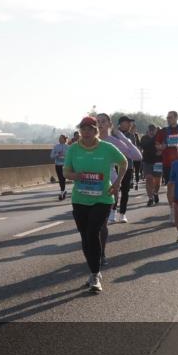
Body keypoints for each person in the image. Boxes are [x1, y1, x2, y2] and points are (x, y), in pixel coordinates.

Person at [63, 116, 128, 294]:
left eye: (90, 129)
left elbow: (124, 162)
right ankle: (94, 270)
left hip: (103, 198)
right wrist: (77, 176)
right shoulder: (73, 149)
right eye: (83, 129)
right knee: (85, 237)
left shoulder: (106, 148)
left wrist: (117, 183)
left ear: (96, 130)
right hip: (79, 199)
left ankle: (95, 274)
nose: (86, 132)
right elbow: (66, 172)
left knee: (92, 233)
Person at [99, 113, 142, 225]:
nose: (100, 124)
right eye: (97, 121)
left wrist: (123, 138)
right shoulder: (89, 141)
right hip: (92, 183)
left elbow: (137, 156)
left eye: (103, 121)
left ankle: (117, 213)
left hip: (109, 182)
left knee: (100, 225)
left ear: (110, 124)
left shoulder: (114, 141)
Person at [139, 124, 161, 206]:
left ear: (155, 130)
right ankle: (150, 198)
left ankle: (155, 193)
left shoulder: (159, 138)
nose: (152, 131)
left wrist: (161, 151)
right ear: (148, 130)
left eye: (153, 129)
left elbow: (162, 147)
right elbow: (143, 146)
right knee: (149, 179)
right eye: (150, 129)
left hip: (158, 162)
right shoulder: (144, 138)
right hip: (147, 161)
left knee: (157, 182)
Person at [51, 134, 69, 200]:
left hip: (64, 164)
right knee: (60, 178)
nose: (60, 139)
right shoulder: (56, 146)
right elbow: (51, 156)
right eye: (59, 138)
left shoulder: (68, 147)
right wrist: (57, 154)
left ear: (65, 139)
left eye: (61, 138)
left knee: (62, 178)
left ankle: (62, 191)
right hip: (57, 164)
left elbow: (70, 156)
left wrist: (65, 155)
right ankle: (63, 191)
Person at [129, 122, 142, 190]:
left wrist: (139, 153)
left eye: (133, 128)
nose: (132, 129)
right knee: (131, 169)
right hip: (130, 155)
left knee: (137, 170)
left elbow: (139, 145)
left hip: (136, 155)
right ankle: (131, 181)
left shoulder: (136, 135)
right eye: (131, 127)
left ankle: (136, 182)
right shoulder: (127, 135)